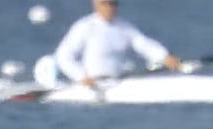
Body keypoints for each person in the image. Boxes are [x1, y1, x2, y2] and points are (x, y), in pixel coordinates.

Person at [54, 0, 183, 88]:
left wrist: (165, 57)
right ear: (95, 4)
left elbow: (144, 45)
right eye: (105, 3)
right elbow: (63, 56)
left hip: (118, 82)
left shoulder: (124, 27)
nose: (109, 7)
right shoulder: (85, 27)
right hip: (92, 86)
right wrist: (81, 77)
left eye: (113, 3)